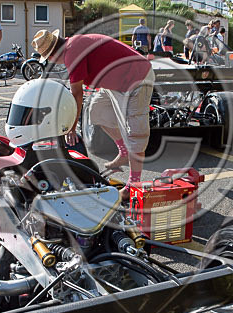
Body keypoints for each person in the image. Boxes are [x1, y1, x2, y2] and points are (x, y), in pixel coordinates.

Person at [33, 29, 155, 201]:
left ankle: (132, 186)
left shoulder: (71, 54)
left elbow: (77, 94)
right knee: (96, 111)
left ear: (51, 56)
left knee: (135, 134)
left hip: (137, 78)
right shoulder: (71, 46)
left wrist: (71, 128)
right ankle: (124, 150)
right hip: (119, 80)